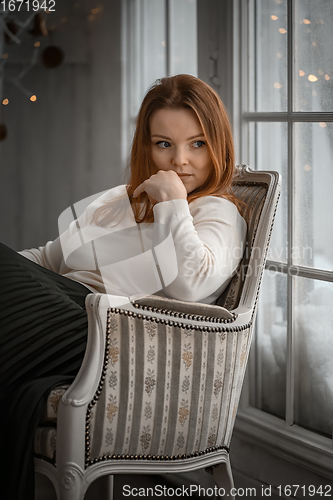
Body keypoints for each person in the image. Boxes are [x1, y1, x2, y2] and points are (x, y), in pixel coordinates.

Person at [0, 74, 247, 499]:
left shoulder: (217, 212)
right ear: (145, 146)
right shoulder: (116, 201)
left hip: (108, 337)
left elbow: (191, 287)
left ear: (218, 145)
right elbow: (46, 260)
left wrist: (171, 203)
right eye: (164, 144)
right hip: (52, 311)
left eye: (198, 144)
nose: (180, 161)